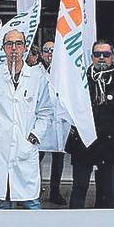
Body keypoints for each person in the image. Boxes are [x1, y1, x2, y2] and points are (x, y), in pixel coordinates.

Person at [0, 29, 53, 209]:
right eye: (9, 44)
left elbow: (45, 111)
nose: (14, 48)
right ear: (3, 48)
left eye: (18, 44)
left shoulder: (37, 77)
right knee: (1, 203)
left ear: (25, 48)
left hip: (24, 147)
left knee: (31, 203)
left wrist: (34, 136)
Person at [66, 41, 114, 208]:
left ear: (112, 57)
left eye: (106, 54)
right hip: (83, 145)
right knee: (79, 189)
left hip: (109, 146)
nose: (101, 58)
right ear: (92, 57)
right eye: (97, 54)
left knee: (110, 192)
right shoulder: (80, 82)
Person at [37, 40, 68, 204]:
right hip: (42, 122)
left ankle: (55, 192)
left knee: (58, 159)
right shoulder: (36, 72)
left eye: (53, 51)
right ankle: (33, 191)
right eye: (47, 50)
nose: (50, 54)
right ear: (42, 54)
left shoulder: (65, 74)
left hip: (59, 123)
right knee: (35, 158)